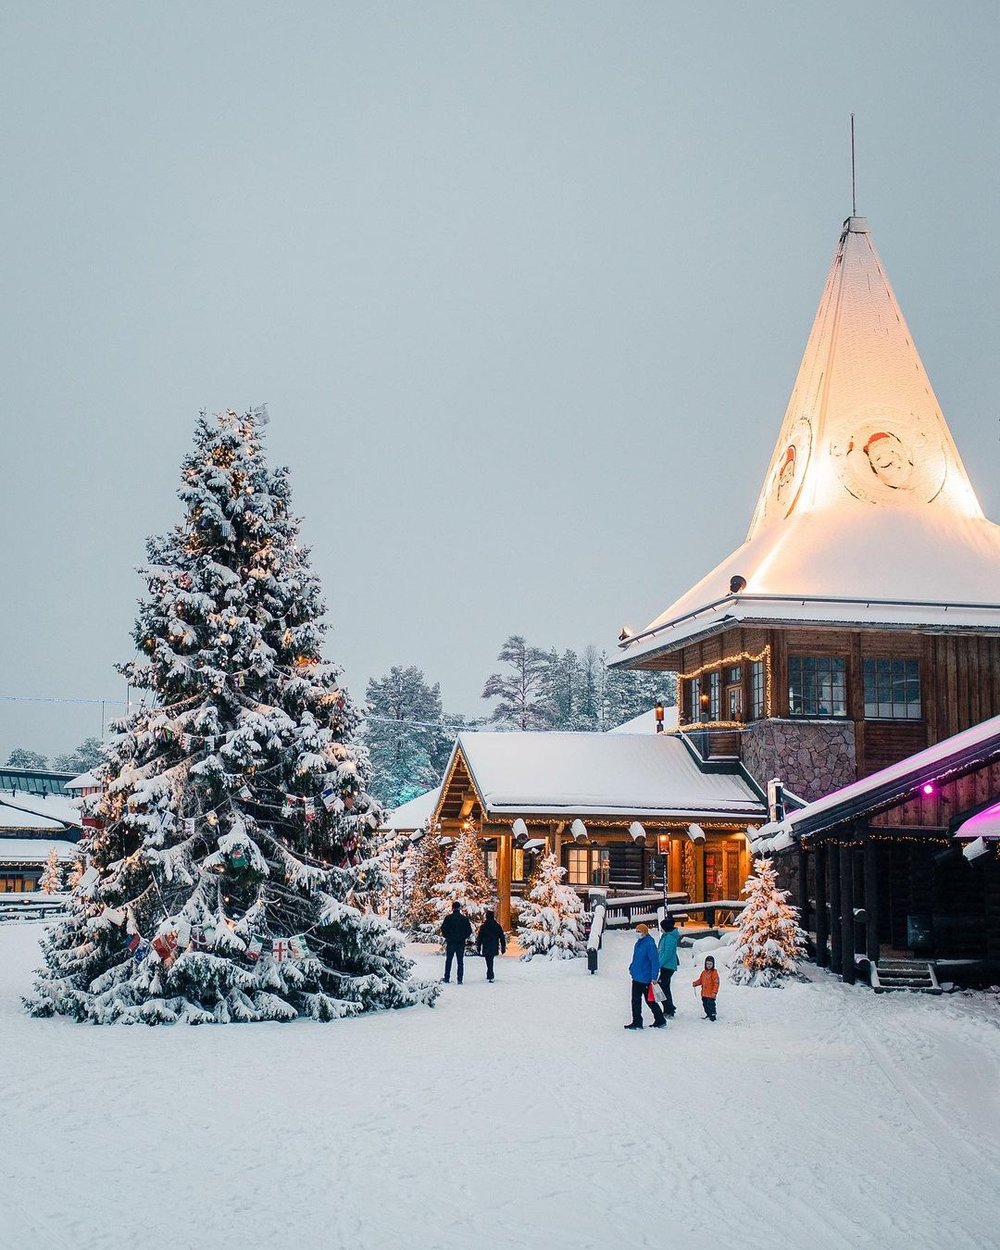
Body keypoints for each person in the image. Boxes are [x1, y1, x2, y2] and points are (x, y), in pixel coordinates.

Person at [625, 922, 666, 1030]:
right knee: (635, 1000)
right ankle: (637, 1021)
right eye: (636, 931)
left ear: (644, 932)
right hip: (637, 976)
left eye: (639, 932)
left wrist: (654, 976)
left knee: (650, 1001)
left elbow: (654, 962)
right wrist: (632, 967)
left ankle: (660, 1019)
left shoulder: (649, 944)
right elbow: (637, 959)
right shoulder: (639, 943)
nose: (637, 933)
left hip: (646, 978)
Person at [440, 901, 473, 984]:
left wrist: (448, 937)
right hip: (460, 942)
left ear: (452, 908)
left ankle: (447, 978)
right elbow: (469, 931)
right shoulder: (464, 919)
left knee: (449, 960)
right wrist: (463, 937)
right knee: (460, 961)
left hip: (451, 942)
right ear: (459, 908)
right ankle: (460, 979)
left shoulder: (448, 918)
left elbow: (443, 929)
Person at [657, 915, 680, 1018]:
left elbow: (667, 953)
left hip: (668, 966)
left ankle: (669, 1008)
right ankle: (668, 1007)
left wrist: (659, 963)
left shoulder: (670, 937)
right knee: (664, 987)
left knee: (661, 987)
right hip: (666, 965)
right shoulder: (667, 936)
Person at [476, 909, 506, 982]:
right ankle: (490, 972)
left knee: (488, 959)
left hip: (486, 944)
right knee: (491, 959)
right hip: (494, 944)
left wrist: (478, 947)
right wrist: (503, 947)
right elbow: (501, 937)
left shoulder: (483, 926)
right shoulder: (497, 926)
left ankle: (490, 973)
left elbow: (480, 937)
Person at [693, 954, 720, 1021]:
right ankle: (708, 1014)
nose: (709, 965)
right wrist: (696, 983)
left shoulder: (714, 973)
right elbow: (701, 980)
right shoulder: (703, 972)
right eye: (707, 964)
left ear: (713, 964)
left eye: (710, 964)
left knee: (711, 1005)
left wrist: (714, 992)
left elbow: (716, 983)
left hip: (711, 994)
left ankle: (712, 1015)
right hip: (704, 993)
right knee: (705, 1005)